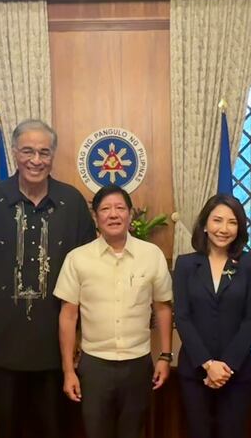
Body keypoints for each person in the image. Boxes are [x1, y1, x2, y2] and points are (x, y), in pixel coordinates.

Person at [0, 119, 96, 438]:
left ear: (53, 156)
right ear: (15, 153)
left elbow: (86, 276)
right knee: (7, 426)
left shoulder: (72, 202)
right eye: (28, 151)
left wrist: (78, 335)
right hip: (2, 340)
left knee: (53, 428)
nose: (36, 160)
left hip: (54, 345)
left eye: (44, 152)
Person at [55, 184, 174, 438]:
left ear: (130, 215)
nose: (113, 214)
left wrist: (165, 356)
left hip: (138, 364)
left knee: (134, 433)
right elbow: (68, 316)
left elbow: (163, 307)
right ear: (96, 217)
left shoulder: (151, 255)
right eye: (105, 209)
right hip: (94, 366)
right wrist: (68, 371)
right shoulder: (77, 259)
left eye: (120, 208)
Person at [173, 194, 251, 438]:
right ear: (205, 224)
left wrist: (226, 366)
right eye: (217, 220)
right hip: (195, 370)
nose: (224, 229)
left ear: (240, 228)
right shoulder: (185, 265)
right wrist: (208, 364)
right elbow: (181, 317)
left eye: (232, 222)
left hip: (236, 370)